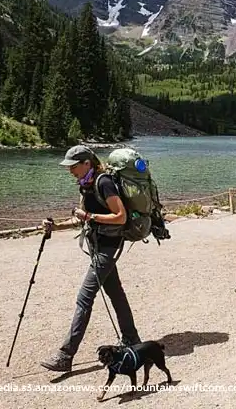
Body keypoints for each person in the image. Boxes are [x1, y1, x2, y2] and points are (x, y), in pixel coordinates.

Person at [40, 145, 141, 372]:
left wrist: (89, 216)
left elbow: (120, 217)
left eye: (73, 166)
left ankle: (65, 355)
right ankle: (132, 338)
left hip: (108, 247)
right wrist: (55, 226)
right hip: (97, 245)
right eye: (69, 167)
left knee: (84, 298)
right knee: (116, 293)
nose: (70, 171)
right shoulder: (86, 185)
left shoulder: (103, 182)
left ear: (87, 163)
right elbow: (83, 220)